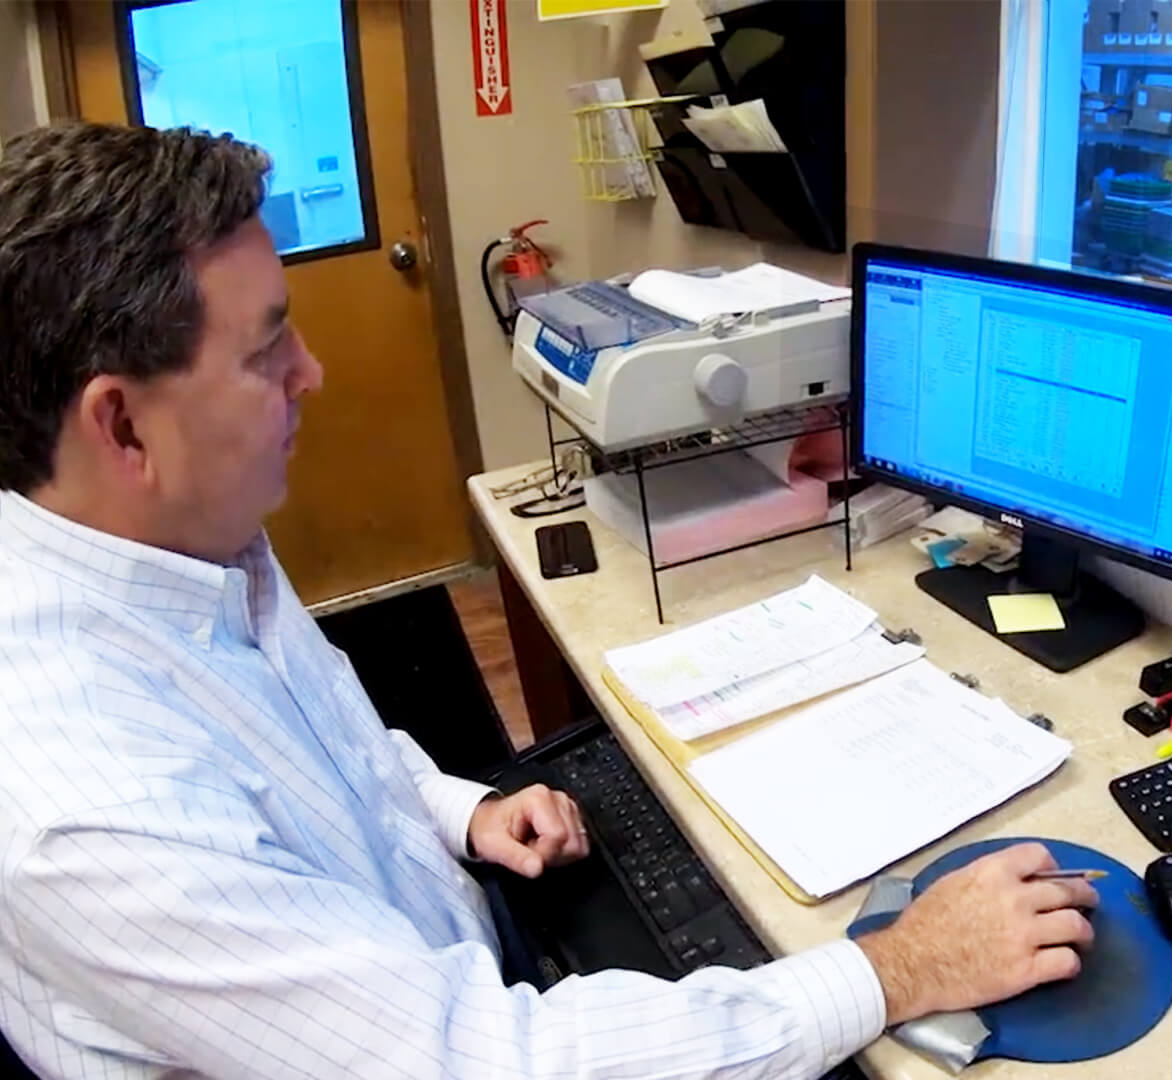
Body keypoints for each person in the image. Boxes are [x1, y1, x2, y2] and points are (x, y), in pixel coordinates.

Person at [0, 123, 1097, 1079]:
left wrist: (460, 812)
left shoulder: (188, 537)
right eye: (266, 345)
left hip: (446, 949)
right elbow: (481, 1065)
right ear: (123, 426)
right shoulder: (81, 800)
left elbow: (324, 753)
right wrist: (899, 966)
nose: (312, 373)